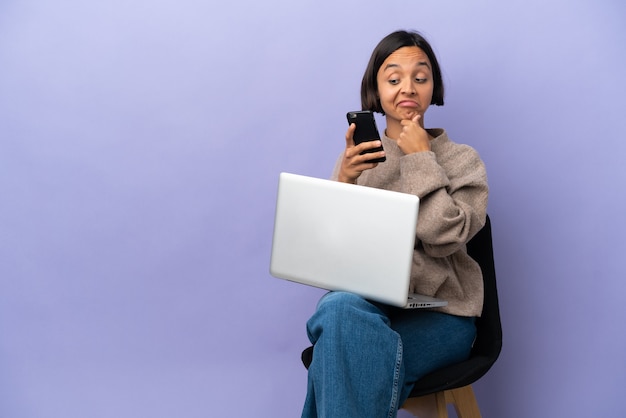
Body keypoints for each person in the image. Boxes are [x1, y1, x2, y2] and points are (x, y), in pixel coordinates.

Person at [301, 30, 489, 418]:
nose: (408, 87)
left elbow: (443, 236)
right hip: (368, 308)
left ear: (433, 87)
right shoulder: (358, 159)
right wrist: (343, 184)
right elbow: (331, 263)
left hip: (443, 315)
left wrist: (421, 159)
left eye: (420, 77)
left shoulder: (461, 160)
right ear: (376, 88)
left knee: (338, 351)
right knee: (339, 309)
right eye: (393, 78)